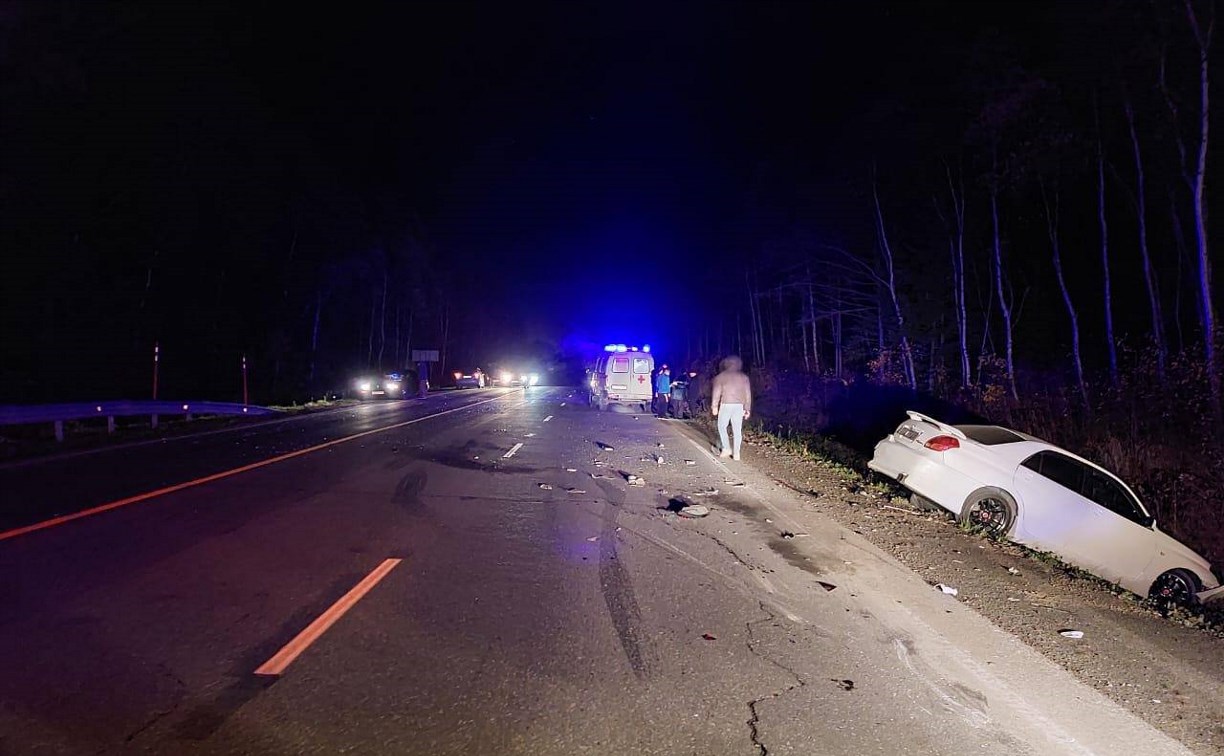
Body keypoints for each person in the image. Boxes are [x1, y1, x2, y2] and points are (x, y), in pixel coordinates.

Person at [710, 355, 751, 460]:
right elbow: (748, 394)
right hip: (739, 407)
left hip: (726, 405)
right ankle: (736, 453)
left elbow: (716, 392)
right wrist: (747, 409)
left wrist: (714, 406)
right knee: (737, 430)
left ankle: (727, 448)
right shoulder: (744, 377)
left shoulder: (720, 377)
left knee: (722, 426)